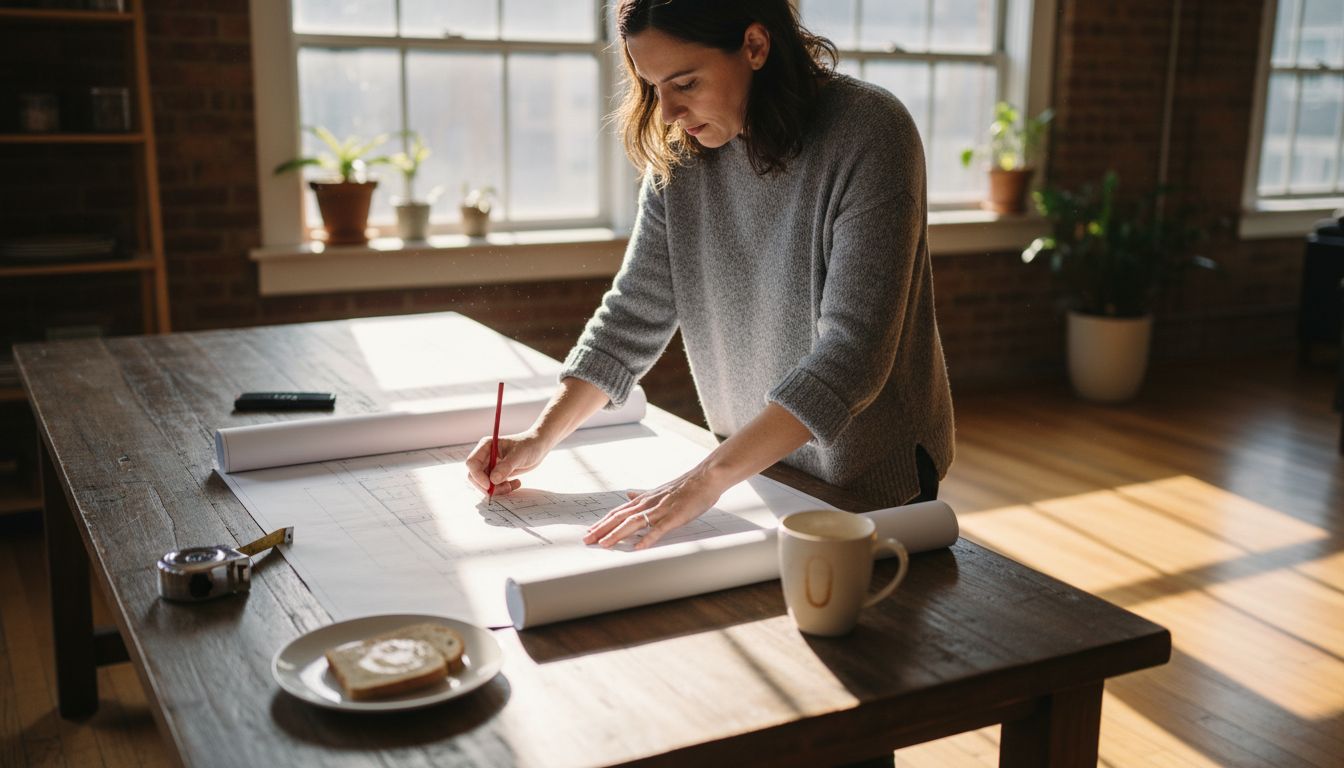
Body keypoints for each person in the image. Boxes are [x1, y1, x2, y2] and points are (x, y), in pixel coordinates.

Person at [466, 0, 954, 552]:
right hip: (752, 467)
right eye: (653, 88)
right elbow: (632, 314)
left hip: (869, 479)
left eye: (686, 83)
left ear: (754, 46)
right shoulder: (682, 156)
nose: (668, 111)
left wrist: (704, 480)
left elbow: (853, 355)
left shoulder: (870, 131)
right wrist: (539, 437)